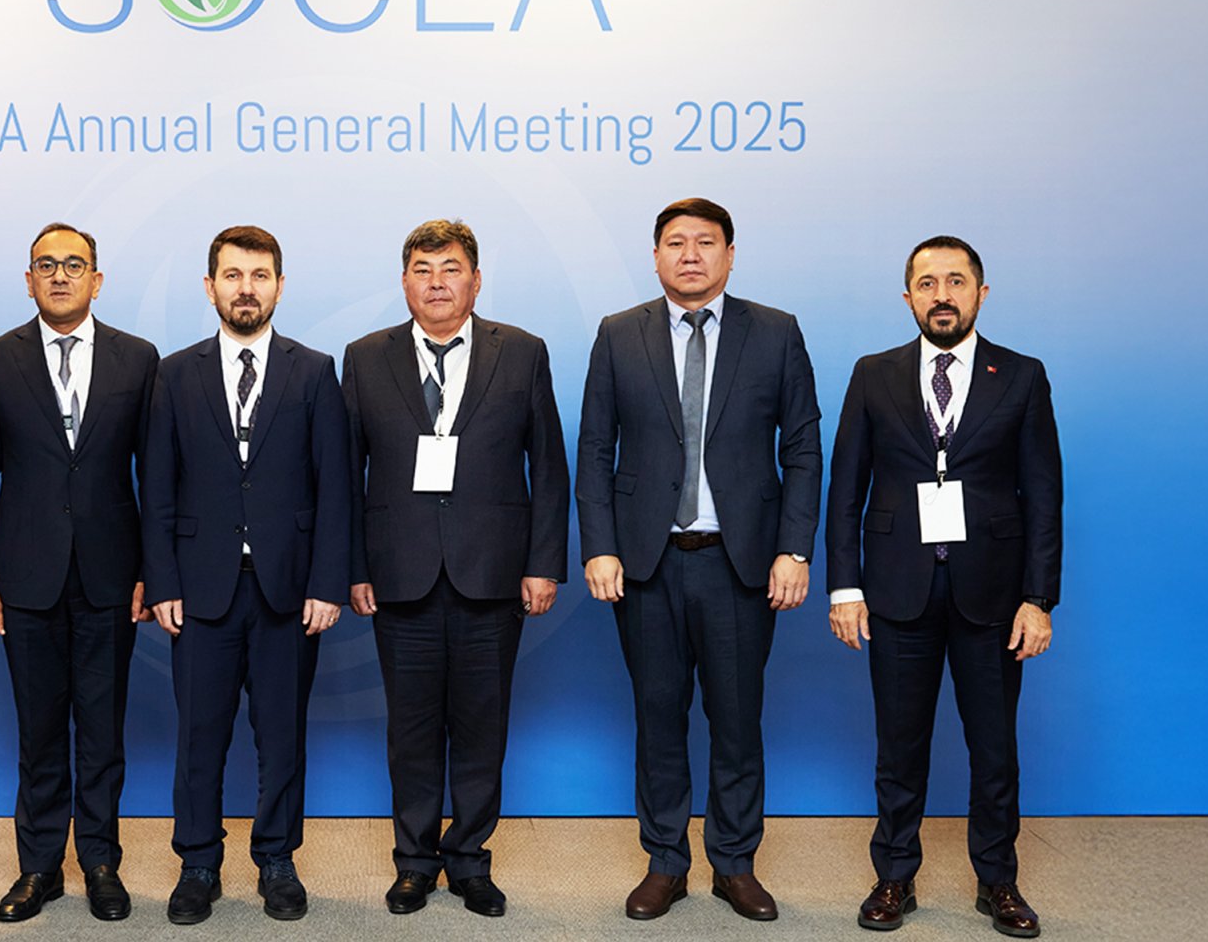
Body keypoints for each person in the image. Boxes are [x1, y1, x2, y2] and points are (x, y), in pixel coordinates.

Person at [575, 197, 822, 922]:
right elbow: (594, 448)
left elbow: (802, 448)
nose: (691, 255)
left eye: (706, 242)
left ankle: (735, 864)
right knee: (658, 718)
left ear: (730, 255)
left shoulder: (775, 332)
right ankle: (665, 862)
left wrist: (794, 550)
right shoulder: (619, 333)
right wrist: (600, 546)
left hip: (740, 564)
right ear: (655, 256)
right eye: (676, 242)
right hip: (645, 564)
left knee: (737, 721)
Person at [826, 236, 1062, 937]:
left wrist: (1038, 599)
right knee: (899, 747)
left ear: (981, 294)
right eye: (927, 284)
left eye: (956, 282)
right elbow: (846, 491)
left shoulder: (1021, 375)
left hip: (993, 597)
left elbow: (1044, 495)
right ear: (908, 298)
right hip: (896, 593)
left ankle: (998, 882)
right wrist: (844, 589)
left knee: (994, 750)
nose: (942, 295)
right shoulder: (873, 374)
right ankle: (894, 877)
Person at [342, 219, 569, 917]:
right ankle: (414, 862)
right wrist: (354, 567)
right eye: (422, 269)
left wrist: (543, 564)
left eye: (450, 269)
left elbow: (549, 465)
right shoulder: (365, 357)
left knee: (481, 727)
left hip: (493, 574)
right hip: (398, 575)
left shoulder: (522, 351)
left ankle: (469, 860)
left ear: (475, 280)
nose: (436, 282)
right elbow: (345, 473)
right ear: (404, 281)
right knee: (410, 730)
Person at [141, 226, 352, 924]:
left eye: (260, 276)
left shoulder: (313, 371)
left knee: (281, 735)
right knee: (199, 737)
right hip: (199, 590)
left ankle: (277, 859)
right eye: (232, 276)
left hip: (288, 590)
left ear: (280, 287)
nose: (246, 289)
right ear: (210, 288)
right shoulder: (174, 374)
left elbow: (335, 487)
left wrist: (327, 583)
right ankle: (198, 863)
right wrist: (162, 582)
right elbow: (158, 487)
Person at [0, 223, 158, 922]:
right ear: (29, 280)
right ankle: (39, 868)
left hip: (112, 576)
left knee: (102, 732)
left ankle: (101, 863)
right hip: (24, 576)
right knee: (39, 731)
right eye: (47, 265)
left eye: (75, 265)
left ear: (97, 280)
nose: (61, 275)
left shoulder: (138, 359)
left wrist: (153, 572)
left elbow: (158, 473)